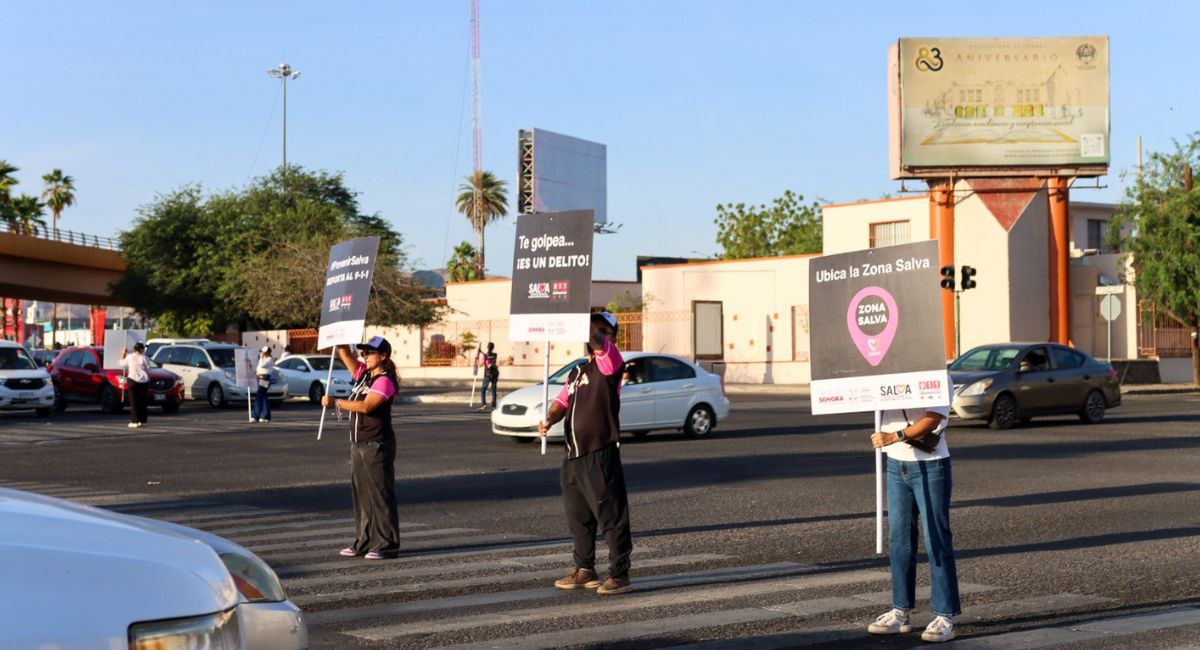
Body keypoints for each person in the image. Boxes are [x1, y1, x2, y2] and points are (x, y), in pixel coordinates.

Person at [538, 311, 633, 596]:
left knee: (611, 515)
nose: (594, 331)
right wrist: (550, 419)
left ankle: (619, 573)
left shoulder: (611, 362)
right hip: (573, 454)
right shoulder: (578, 371)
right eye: (593, 326)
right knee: (579, 516)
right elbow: (561, 401)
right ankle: (584, 568)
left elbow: (599, 342)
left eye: (602, 328)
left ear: (611, 335)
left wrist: (581, 317)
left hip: (599, 452)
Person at [867, 399, 961, 643]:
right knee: (899, 540)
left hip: (931, 466)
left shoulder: (938, 375)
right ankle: (901, 611)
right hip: (896, 463)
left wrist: (894, 436)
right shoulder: (890, 373)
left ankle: (945, 616)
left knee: (936, 538)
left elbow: (933, 418)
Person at [322, 336, 401, 560]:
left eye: (370, 353)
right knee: (362, 495)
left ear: (383, 356)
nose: (365, 356)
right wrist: (340, 339)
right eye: (364, 352)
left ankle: (387, 544)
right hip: (358, 442)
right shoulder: (364, 375)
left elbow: (367, 406)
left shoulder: (385, 380)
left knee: (379, 495)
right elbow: (346, 356)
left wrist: (337, 402)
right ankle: (363, 541)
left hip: (377, 443)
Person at [119, 342, 150, 429]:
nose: (144, 349)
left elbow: (122, 364)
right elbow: (149, 369)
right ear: (141, 349)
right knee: (143, 402)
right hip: (144, 381)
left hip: (133, 380)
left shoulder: (130, 357)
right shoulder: (145, 358)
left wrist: (122, 354)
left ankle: (134, 421)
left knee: (134, 402)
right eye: (143, 348)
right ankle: (143, 421)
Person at [252, 345, 274, 423]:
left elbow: (262, 365)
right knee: (264, 396)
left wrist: (261, 358)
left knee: (259, 396)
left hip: (265, 378)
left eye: (262, 352)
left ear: (266, 353)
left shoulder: (269, 359)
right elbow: (258, 368)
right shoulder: (263, 359)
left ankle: (255, 416)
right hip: (260, 377)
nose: (261, 353)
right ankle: (266, 416)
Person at [476, 342, 499, 411]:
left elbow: (480, 365)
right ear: (493, 347)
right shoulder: (495, 355)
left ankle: (484, 405)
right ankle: (494, 406)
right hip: (495, 373)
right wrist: (481, 352)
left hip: (488, 374)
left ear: (487, 347)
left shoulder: (485, 356)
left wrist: (477, 359)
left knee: (483, 389)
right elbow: (489, 356)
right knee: (493, 390)